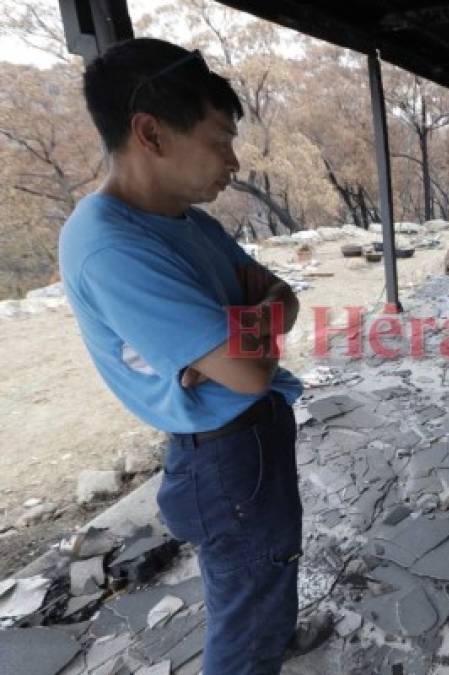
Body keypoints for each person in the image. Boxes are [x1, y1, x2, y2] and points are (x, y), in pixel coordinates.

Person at [58, 38, 331, 674]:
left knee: (269, 561)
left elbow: (284, 298)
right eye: (219, 139)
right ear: (150, 133)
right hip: (221, 457)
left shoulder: (189, 222)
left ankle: (277, 635)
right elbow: (247, 367)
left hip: (252, 432)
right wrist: (252, 323)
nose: (233, 161)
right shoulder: (110, 246)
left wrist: (248, 324)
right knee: (243, 599)